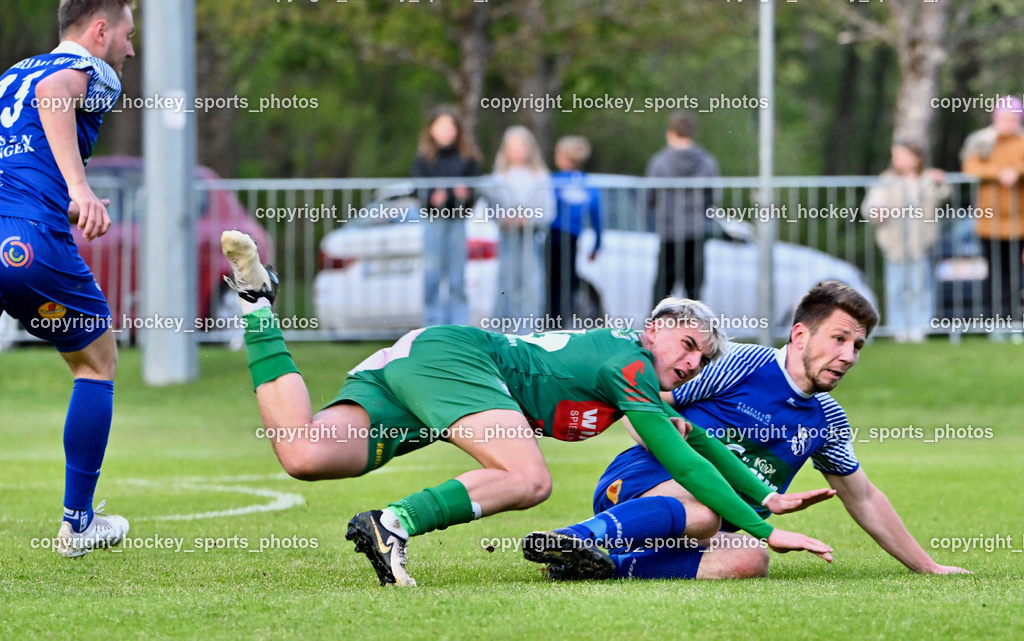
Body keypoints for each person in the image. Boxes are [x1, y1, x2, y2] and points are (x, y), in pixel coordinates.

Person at [219, 230, 834, 586]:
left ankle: (256, 303)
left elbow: (693, 439)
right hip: (458, 359)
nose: (694, 362)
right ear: (655, 329)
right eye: (689, 345)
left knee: (304, 453)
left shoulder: (631, 375)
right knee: (529, 478)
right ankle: (395, 524)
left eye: (704, 359)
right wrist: (764, 531)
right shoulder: (629, 364)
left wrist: (762, 494)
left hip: (429, 362)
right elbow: (681, 459)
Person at [527, 281, 971, 580]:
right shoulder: (742, 362)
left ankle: (602, 566)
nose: (849, 355)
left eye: (857, 345)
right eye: (838, 339)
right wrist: (663, 435)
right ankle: (578, 535)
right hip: (638, 486)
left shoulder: (829, 421)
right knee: (703, 508)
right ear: (800, 335)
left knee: (749, 557)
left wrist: (927, 567)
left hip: (708, 523)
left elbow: (865, 498)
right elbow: (641, 399)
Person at [0, 0, 134, 557]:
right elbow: (56, 94)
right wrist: (79, 188)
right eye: (128, 34)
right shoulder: (90, 68)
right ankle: (78, 525)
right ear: (100, 31)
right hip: (28, 240)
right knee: (96, 362)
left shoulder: (10, 75)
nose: (131, 49)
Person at [862, 142, 950, 342]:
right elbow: (872, 202)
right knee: (896, 288)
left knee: (920, 287)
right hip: (894, 243)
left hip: (921, 243)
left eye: (901, 155)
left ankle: (921, 327)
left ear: (916, 158)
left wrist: (940, 182)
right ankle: (899, 328)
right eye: (895, 156)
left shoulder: (928, 178)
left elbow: (944, 195)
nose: (897, 160)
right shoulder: (886, 179)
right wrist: (876, 211)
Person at [412, 106, 481, 326]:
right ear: (431, 130)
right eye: (440, 126)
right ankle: (433, 324)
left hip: (457, 221)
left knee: (457, 277)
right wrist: (431, 198)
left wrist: (466, 195)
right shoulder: (423, 159)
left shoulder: (468, 158)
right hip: (433, 221)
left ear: (457, 130)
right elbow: (417, 190)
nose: (445, 131)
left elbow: (475, 192)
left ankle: (458, 325)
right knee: (432, 274)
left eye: (450, 126)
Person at [960, 96, 1024, 320]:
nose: (1008, 123)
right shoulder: (981, 141)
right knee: (995, 274)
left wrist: (1016, 171)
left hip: (1019, 223)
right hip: (989, 223)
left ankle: (1014, 320)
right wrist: (999, 173)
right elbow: (970, 166)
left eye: (1012, 118)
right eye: (1004, 118)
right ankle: (995, 320)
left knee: (1015, 275)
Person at [646, 111, 718, 301]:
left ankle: (659, 321)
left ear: (671, 132)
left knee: (663, 290)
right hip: (697, 230)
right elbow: (711, 197)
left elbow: (650, 197)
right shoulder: (707, 162)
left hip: (669, 230)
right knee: (693, 291)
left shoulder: (660, 162)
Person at [490, 126, 554, 325]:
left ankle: (527, 329)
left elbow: (548, 210)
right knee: (506, 283)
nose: (518, 151)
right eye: (513, 147)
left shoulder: (540, 175)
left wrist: (529, 219)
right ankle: (502, 328)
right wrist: (504, 219)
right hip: (507, 237)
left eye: (522, 146)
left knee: (531, 284)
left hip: (531, 239)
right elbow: (491, 209)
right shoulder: (498, 177)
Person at [547, 135, 602, 322]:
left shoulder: (554, 181)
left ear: (562, 156)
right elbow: (597, 217)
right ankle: (562, 318)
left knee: (552, 280)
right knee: (568, 279)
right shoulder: (588, 183)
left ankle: (552, 318)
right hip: (573, 237)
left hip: (553, 235)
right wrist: (597, 244)